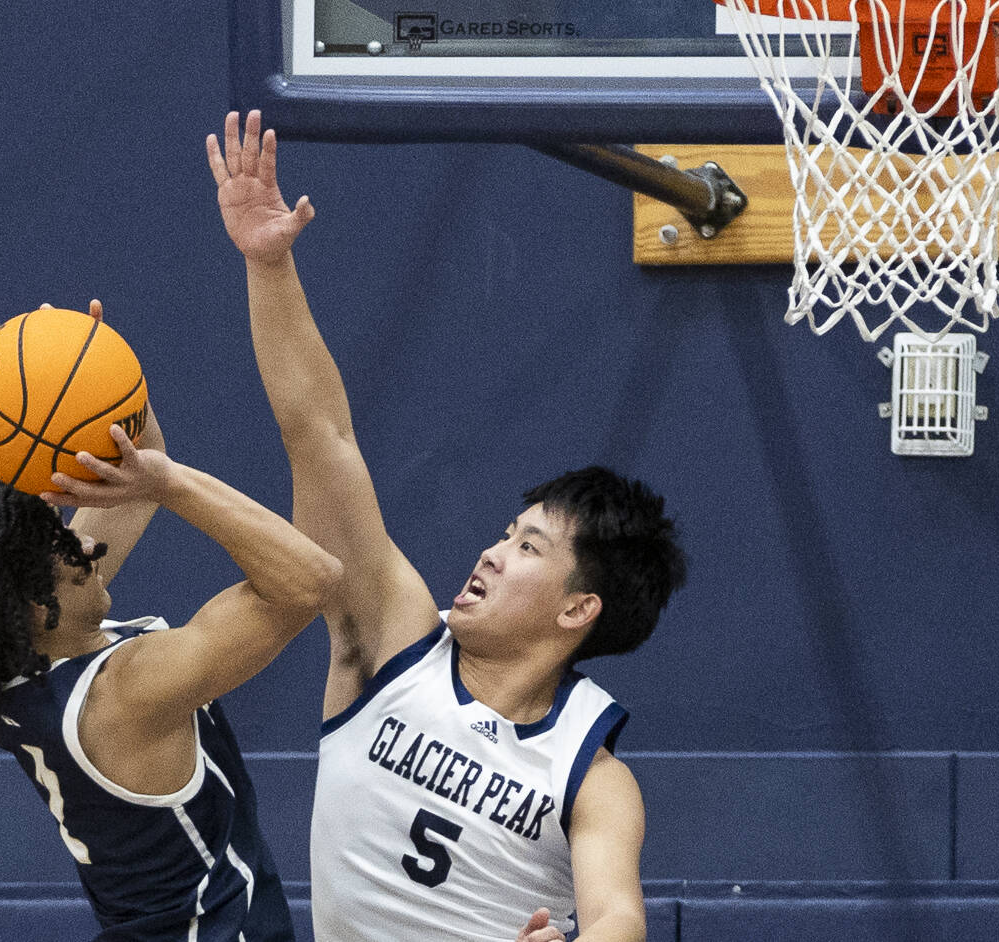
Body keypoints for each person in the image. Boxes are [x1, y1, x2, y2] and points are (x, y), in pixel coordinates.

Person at [206, 112, 687, 942]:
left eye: (528, 547)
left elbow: (618, 916)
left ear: (579, 608)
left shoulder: (593, 775)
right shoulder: (391, 639)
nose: (493, 553)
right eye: (505, 533)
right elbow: (320, 436)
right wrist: (269, 265)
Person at [0, 300, 342, 942]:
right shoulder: (125, 694)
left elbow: (136, 461)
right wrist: (172, 486)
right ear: (36, 607)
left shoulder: (14, 659)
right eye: (72, 562)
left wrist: (90, 368)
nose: (91, 548)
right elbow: (310, 579)